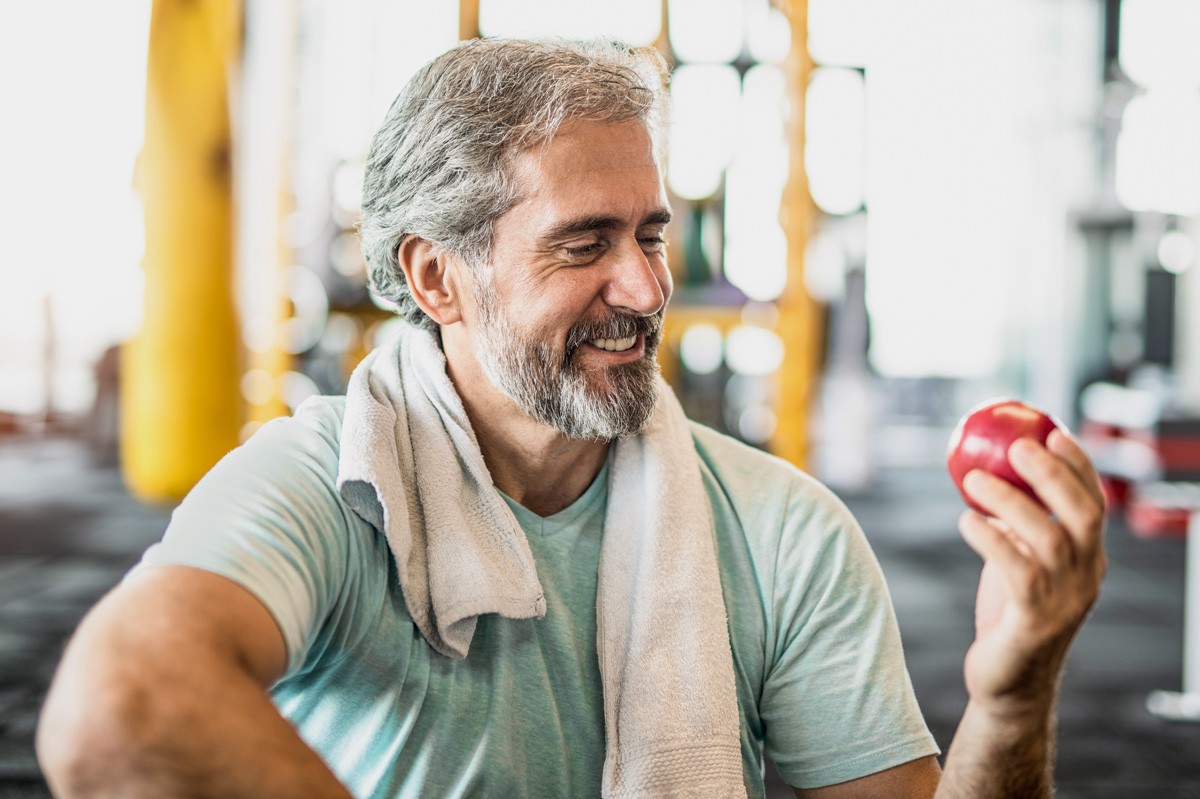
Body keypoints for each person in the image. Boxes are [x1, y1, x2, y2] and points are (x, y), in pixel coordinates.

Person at [36, 38, 1106, 799]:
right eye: (584, 243)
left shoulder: (785, 529)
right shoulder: (320, 485)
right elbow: (113, 708)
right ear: (438, 278)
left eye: (652, 233)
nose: (645, 290)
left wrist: (1012, 697)